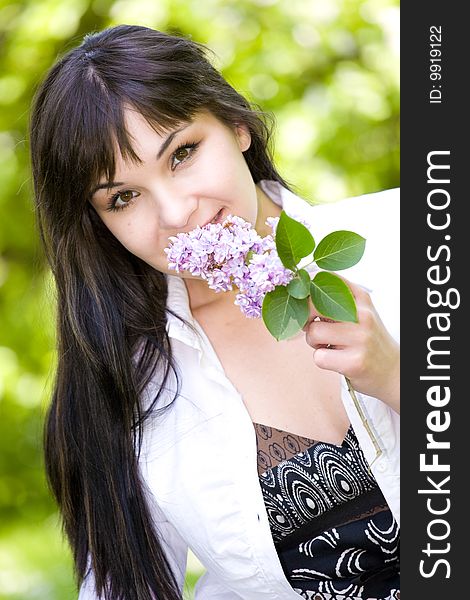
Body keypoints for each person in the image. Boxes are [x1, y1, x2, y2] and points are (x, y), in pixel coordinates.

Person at [30, 24, 400, 600]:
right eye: (122, 197)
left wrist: (401, 379)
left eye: (182, 154)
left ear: (238, 126)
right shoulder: (125, 380)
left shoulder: (407, 237)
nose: (176, 212)